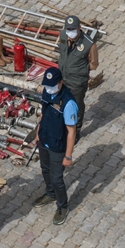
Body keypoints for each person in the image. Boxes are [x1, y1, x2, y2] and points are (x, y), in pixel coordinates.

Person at [33, 68, 78, 226]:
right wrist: (38, 133)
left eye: (53, 85)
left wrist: (68, 156)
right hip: (44, 139)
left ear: (61, 82)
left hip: (58, 145)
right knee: (45, 169)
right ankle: (50, 194)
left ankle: (62, 206)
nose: (49, 88)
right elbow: (43, 114)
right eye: (47, 85)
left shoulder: (68, 102)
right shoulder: (47, 92)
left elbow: (71, 132)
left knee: (57, 178)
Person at [57, 15, 98, 132]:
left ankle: (77, 129)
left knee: (76, 105)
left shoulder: (89, 44)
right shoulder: (63, 35)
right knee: (61, 101)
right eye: (68, 29)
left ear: (79, 27)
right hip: (62, 77)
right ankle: (63, 123)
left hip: (77, 81)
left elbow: (94, 64)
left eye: (73, 29)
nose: (70, 32)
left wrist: (80, 70)